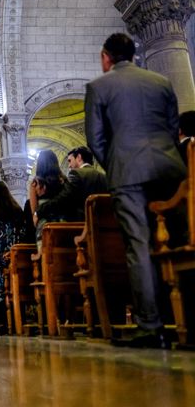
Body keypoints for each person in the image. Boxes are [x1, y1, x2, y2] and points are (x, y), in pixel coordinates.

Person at [85, 32, 186, 348]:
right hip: (170, 169)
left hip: (127, 172)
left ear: (105, 57)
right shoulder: (161, 82)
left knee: (139, 244)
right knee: (179, 239)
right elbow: (172, 128)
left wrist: (117, 162)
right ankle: (186, 318)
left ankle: (150, 325)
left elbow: (95, 139)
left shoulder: (99, 87)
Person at [0, 181, 24, 334]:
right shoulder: (16, 209)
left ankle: (1, 324)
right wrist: (14, 251)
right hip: (14, 255)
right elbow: (21, 232)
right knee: (15, 286)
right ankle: (19, 319)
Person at [35, 146, 107, 223]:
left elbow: (64, 198)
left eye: (70, 161)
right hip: (102, 223)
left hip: (81, 224)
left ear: (79, 157)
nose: (69, 165)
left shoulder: (76, 174)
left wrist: (40, 210)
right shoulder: (104, 177)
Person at [29, 149, 67, 252]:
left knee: (46, 257)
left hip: (44, 226)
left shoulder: (35, 183)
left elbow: (34, 211)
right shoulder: (63, 180)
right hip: (64, 224)